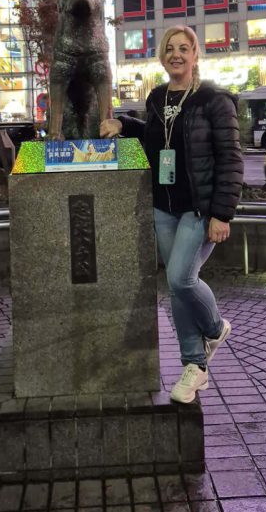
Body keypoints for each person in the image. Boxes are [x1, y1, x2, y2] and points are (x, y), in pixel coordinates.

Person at [101, 26, 244, 404]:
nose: (176, 54)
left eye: (183, 48)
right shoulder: (157, 97)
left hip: (199, 209)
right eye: (169, 49)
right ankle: (194, 365)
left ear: (195, 55)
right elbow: (155, 136)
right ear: (162, 57)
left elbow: (231, 158)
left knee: (181, 278)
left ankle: (215, 327)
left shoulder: (214, 100)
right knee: (177, 286)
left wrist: (222, 214)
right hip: (164, 207)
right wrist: (123, 124)